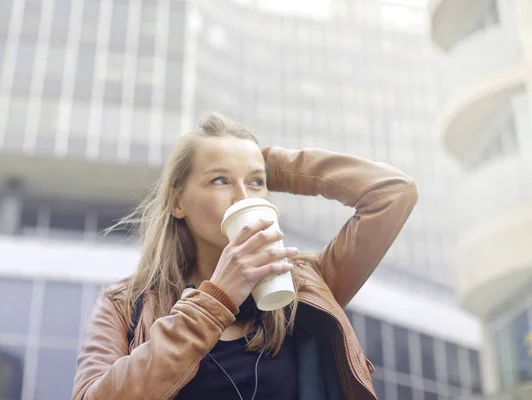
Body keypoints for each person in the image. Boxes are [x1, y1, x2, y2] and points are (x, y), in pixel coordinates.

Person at [71, 113, 418, 400]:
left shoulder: (306, 287)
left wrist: (273, 167)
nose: (242, 196)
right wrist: (216, 299)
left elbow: (393, 193)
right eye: (220, 180)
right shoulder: (124, 304)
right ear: (178, 202)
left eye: (255, 183)